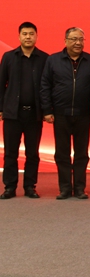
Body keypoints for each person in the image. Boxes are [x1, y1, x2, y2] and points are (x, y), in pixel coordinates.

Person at [40, 27, 90, 200]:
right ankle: (65, 188)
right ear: (65, 41)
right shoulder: (53, 60)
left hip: (83, 114)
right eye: (74, 39)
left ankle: (80, 188)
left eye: (81, 39)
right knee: (62, 153)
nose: (78, 43)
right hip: (60, 114)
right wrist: (47, 110)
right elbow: (45, 86)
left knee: (82, 153)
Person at [0, 22, 49, 199]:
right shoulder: (8, 57)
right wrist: (1, 108)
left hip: (34, 114)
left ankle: (30, 186)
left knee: (32, 153)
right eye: (24, 34)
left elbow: (47, 86)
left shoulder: (44, 58)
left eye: (31, 34)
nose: (28, 37)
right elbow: (1, 84)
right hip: (12, 113)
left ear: (36, 36)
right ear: (19, 36)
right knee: (10, 153)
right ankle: (9, 187)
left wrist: (47, 110)